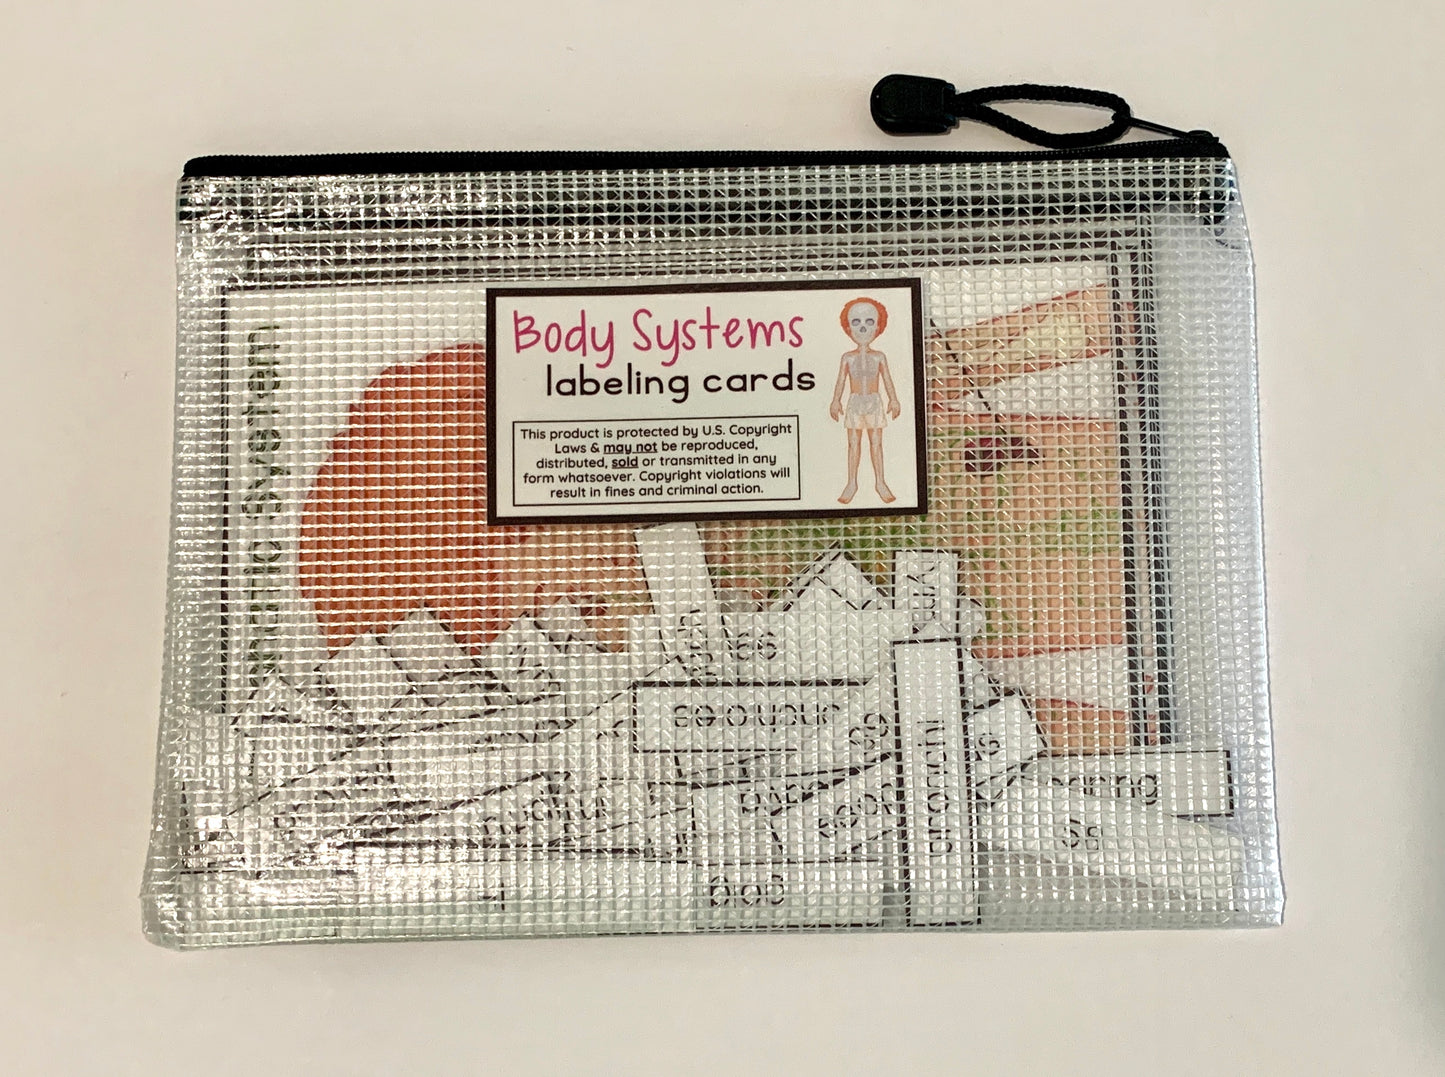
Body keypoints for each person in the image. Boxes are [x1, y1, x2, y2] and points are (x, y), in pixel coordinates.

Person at [828, 298, 902, 504]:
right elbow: (841, 380)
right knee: (853, 443)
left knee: (876, 443)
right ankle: (852, 483)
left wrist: (893, 399)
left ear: (878, 327)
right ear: (848, 328)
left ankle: (880, 482)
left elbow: (887, 379)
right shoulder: (847, 357)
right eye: (856, 322)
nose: (862, 328)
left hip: (874, 402)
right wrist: (836, 400)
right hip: (854, 403)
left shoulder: (879, 357)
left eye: (869, 322)